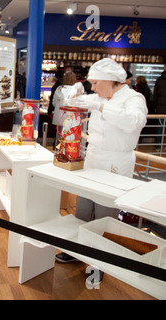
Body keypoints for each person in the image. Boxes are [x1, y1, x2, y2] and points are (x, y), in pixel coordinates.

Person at [56, 59, 148, 278]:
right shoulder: (99, 96)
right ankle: (78, 250)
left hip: (115, 162)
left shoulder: (133, 98)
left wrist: (101, 106)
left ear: (109, 81)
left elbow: (134, 122)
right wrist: (75, 93)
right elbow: (72, 103)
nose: (93, 88)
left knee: (105, 213)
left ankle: (101, 261)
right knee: (84, 208)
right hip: (93, 157)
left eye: (95, 83)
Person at [153, 69, 166, 150]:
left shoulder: (159, 79)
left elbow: (155, 95)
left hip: (160, 108)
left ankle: (158, 146)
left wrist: (155, 106)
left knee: (160, 127)